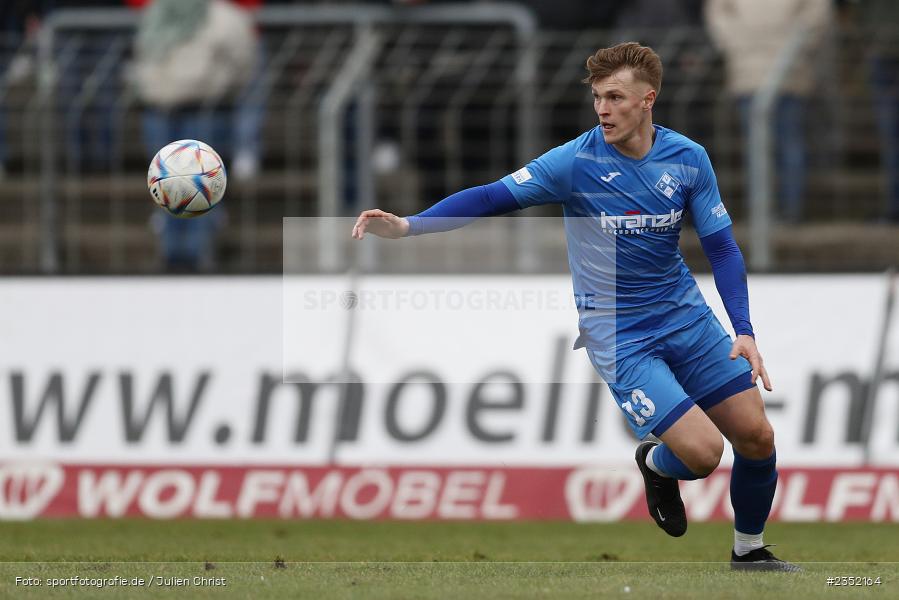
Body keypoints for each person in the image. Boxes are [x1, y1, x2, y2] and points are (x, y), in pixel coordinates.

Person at [351, 42, 799, 572]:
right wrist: (409, 225)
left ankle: (749, 551)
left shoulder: (687, 158)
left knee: (757, 436)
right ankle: (657, 464)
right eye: (597, 98)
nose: (602, 109)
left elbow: (721, 248)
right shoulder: (575, 162)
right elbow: (491, 196)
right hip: (620, 333)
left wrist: (743, 329)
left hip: (686, 317)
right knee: (703, 455)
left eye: (615, 97)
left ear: (648, 100)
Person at [704, 0, 833, 224]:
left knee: (775, 146)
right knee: (777, 146)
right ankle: (776, 213)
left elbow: (817, 16)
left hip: (777, 69)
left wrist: (735, 42)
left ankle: (774, 213)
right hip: (773, 68)